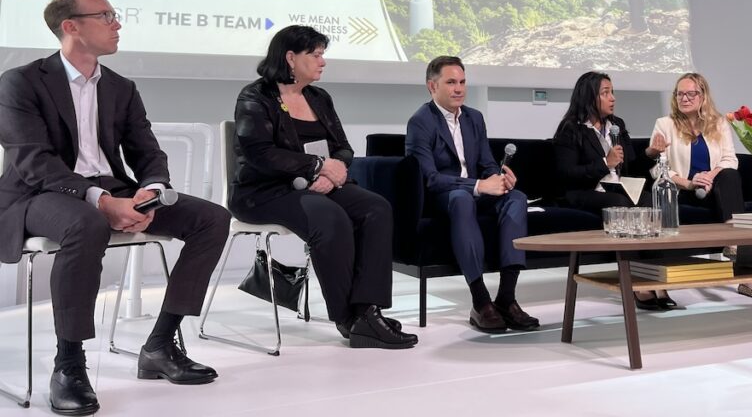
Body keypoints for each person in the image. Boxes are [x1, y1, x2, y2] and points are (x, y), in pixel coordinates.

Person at [0, 0, 230, 416]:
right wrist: (103, 202)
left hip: (111, 189)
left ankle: (160, 346)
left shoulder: (121, 87)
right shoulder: (21, 82)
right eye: (106, 16)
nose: (117, 24)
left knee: (212, 218)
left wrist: (151, 191)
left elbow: (147, 151)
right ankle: (69, 365)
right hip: (39, 194)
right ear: (71, 27)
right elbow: (34, 161)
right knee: (86, 223)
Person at [232, 25, 416, 348]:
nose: (323, 62)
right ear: (290, 58)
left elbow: (342, 146)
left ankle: (367, 310)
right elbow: (259, 153)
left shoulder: (319, 97)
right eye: (315, 55)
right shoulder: (255, 96)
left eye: (322, 54)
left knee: (376, 208)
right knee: (330, 218)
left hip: (319, 185)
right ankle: (348, 318)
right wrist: (318, 167)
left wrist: (337, 169)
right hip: (264, 191)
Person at [405, 56, 539, 334]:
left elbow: (488, 163)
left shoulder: (474, 118)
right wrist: (478, 186)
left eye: (463, 82)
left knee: (516, 197)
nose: (459, 89)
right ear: (432, 86)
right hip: (445, 196)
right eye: (451, 82)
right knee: (461, 198)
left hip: (477, 190)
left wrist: (501, 178)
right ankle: (480, 301)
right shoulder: (421, 122)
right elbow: (429, 179)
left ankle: (506, 298)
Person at [647, 72, 752, 301]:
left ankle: (734, 245)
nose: (684, 98)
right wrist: (690, 182)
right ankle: (745, 271)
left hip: (714, 188)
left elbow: (730, 159)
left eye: (690, 93)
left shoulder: (718, 123)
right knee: (722, 181)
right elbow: (659, 169)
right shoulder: (664, 124)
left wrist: (708, 175)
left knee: (728, 175)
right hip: (683, 191)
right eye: (680, 94)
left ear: (702, 96)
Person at [552, 71, 669, 309]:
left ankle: (658, 278)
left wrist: (651, 154)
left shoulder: (617, 126)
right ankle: (637, 283)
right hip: (584, 192)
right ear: (589, 98)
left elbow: (633, 166)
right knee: (622, 204)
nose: (612, 98)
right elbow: (567, 174)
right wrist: (605, 164)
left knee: (652, 200)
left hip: (619, 188)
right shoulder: (570, 130)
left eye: (612, 92)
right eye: (605, 93)